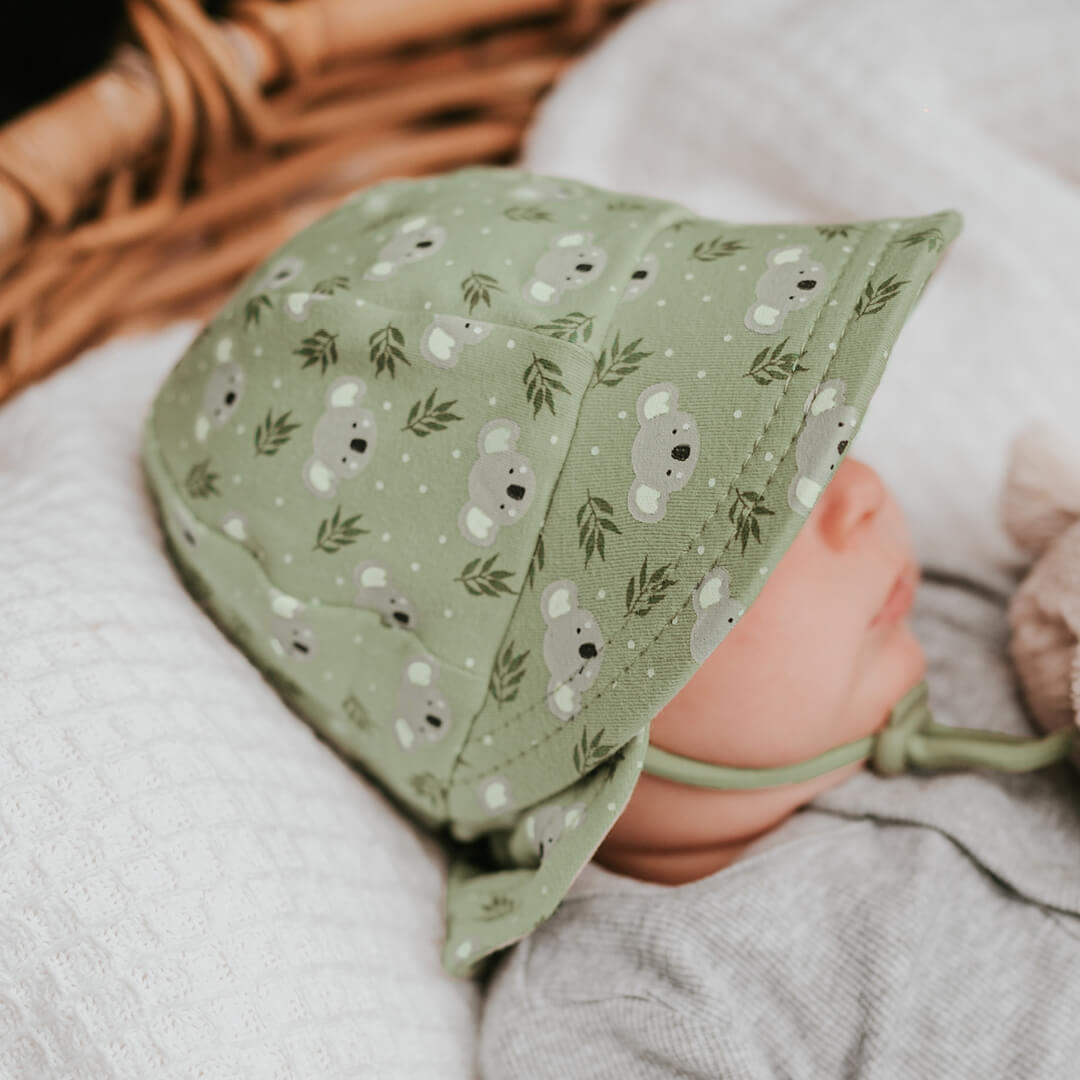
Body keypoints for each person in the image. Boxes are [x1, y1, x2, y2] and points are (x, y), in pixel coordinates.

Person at [138, 164, 1080, 1076]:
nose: (866, 494)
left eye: (836, 445)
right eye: (766, 512)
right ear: (575, 704)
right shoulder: (638, 1009)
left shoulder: (957, 622)